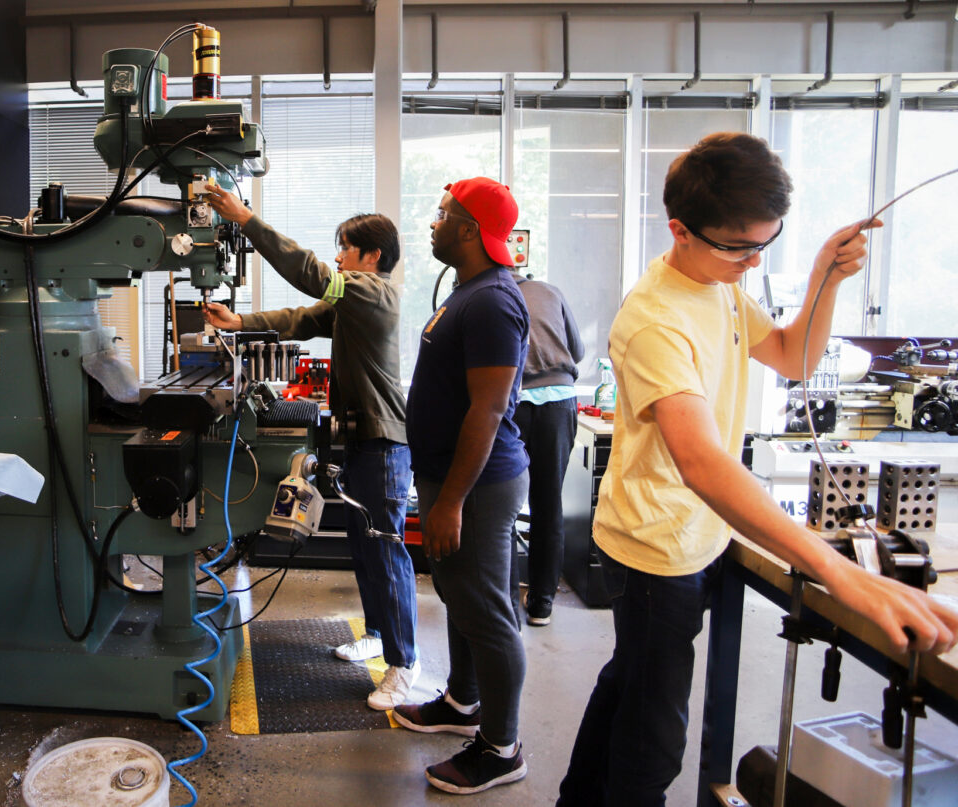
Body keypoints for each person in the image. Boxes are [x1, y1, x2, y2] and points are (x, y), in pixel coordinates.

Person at [555, 132, 958, 806]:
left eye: (765, 244)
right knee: (653, 741)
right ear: (680, 230)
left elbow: (795, 356)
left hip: (697, 534)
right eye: (738, 246)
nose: (752, 260)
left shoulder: (719, 284)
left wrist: (825, 278)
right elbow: (703, 463)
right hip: (658, 550)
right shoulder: (657, 318)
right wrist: (841, 574)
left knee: (630, 681)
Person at [201, 184, 419, 712]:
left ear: (372, 256)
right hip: (361, 442)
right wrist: (241, 324)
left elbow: (311, 274)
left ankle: (403, 665)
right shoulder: (350, 302)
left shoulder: (373, 293)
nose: (339, 256)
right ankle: (377, 635)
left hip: (385, 444)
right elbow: (301, 318)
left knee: (387, 554)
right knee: (366, 550)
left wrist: (248, 221)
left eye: (346, 247)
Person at [393, 177, 531, 795]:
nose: (432, 222)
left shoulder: (494, 301)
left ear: (471, 229)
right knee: (463, 596)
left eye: (443, 213)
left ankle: (502, 749)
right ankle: (463, 700)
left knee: (488, 610)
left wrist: (450, 499)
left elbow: (489, 409)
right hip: (451, 477)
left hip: (476, 483)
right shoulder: (468, 292)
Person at [511, 269, 584, 627]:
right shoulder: (550, 290)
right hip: (560, 403)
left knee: (502, 503)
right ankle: (541, 604)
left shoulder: (488, 294)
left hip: (515, 404)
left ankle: (507, 601)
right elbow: (579, 351)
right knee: (548, 503)